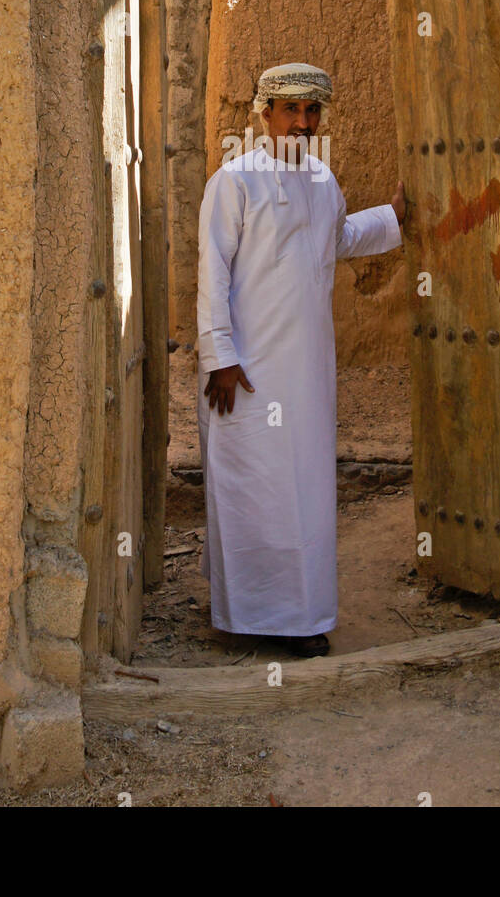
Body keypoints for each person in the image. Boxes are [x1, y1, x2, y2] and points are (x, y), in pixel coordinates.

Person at [196, 61, 406, 657]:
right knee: (252, 489)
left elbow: (336, 240)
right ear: (264, 114)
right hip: (248, 371)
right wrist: (220, 357)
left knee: (305, 492)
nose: (303, 121)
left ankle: (302, 617)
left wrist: (395, 218)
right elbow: (211, 273)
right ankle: (247, 617)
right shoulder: (234, 182)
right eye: (291, 109)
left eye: (312, 111)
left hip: (308, 374)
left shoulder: (321, 180)